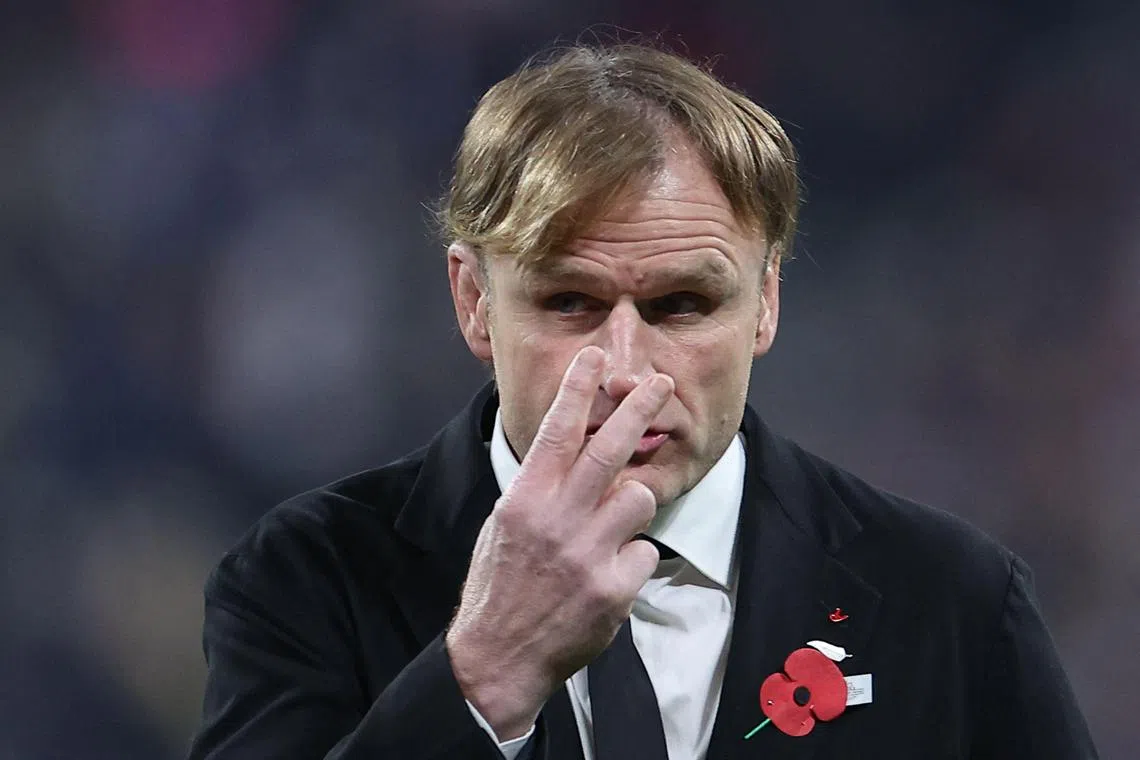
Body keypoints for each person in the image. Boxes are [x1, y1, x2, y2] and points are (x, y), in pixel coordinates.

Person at [187, 42, 1097, 759]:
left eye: (683, 305)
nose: (625, 369)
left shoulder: (950, 602)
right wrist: (486, 676)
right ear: (472, 300)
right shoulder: (305, 579)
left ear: (767, 301)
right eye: (568, 301)